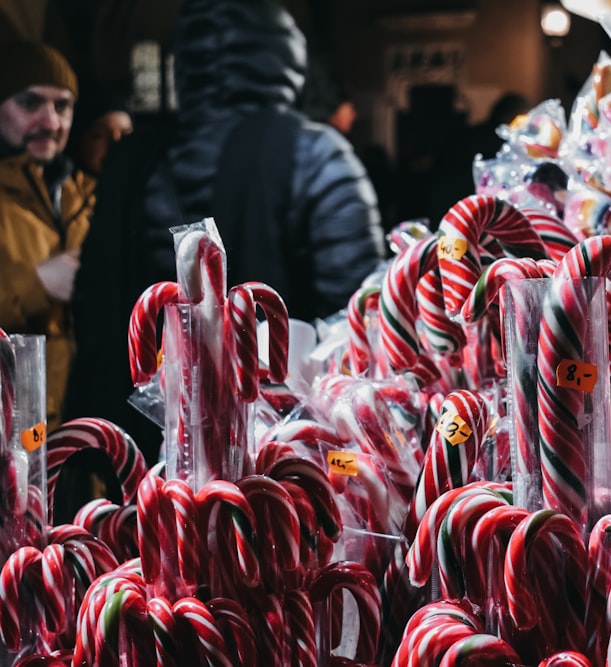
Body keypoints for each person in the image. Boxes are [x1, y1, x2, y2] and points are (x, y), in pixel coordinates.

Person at [66, 0, 386, 460]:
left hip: (135, 450)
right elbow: (357, 323)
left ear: (186, 62)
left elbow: (92, 305)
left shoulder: (130, 162)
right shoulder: (316, 155)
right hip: (277, 452)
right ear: (283, 57)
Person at [0, 42, 94, 428]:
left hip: (84, 425)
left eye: (62, 106)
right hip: (14, 431)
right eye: (30, 103)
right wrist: (37, 283)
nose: (51, 122)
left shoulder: (89, 195)